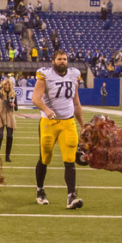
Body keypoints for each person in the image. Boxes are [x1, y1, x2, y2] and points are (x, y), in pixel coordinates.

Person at [32, 51, 84, 209]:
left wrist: (82, 124)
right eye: (60, 59)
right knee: (45, 157)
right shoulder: (45, 75)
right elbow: (35, 97)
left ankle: (71, 197)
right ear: (53, 61)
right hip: (50, 123)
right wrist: (46, 109)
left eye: (65, 59)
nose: (63, 61)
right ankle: (40, 191)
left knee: (69, 159)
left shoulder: (74, 75)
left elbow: (76, 103)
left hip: (68, 122)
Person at [0, 73, 17, 162]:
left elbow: (16, 108)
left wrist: (13, 105)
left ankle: (7, 156)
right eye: (5, 85)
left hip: (10, 116)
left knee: (10, 136)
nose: (7, 86)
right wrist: (0, 86)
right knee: (0, 136)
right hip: (1, 114)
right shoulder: (1, 93)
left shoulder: (13, 94)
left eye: (8, 85)